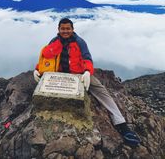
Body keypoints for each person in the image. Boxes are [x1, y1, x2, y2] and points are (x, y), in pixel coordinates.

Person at [33, 18, 140, 146]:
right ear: (59, 29)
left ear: (72, 29)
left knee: (101, 91)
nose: (65, 31)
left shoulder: (79, 42)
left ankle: (121, 124)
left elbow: (87, 58)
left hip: (79, 74)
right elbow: (47, 58)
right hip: (60, 74)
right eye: (63, 28)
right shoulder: (54, 41)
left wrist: (87, 72)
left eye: (68, 28)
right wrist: (38, 69)